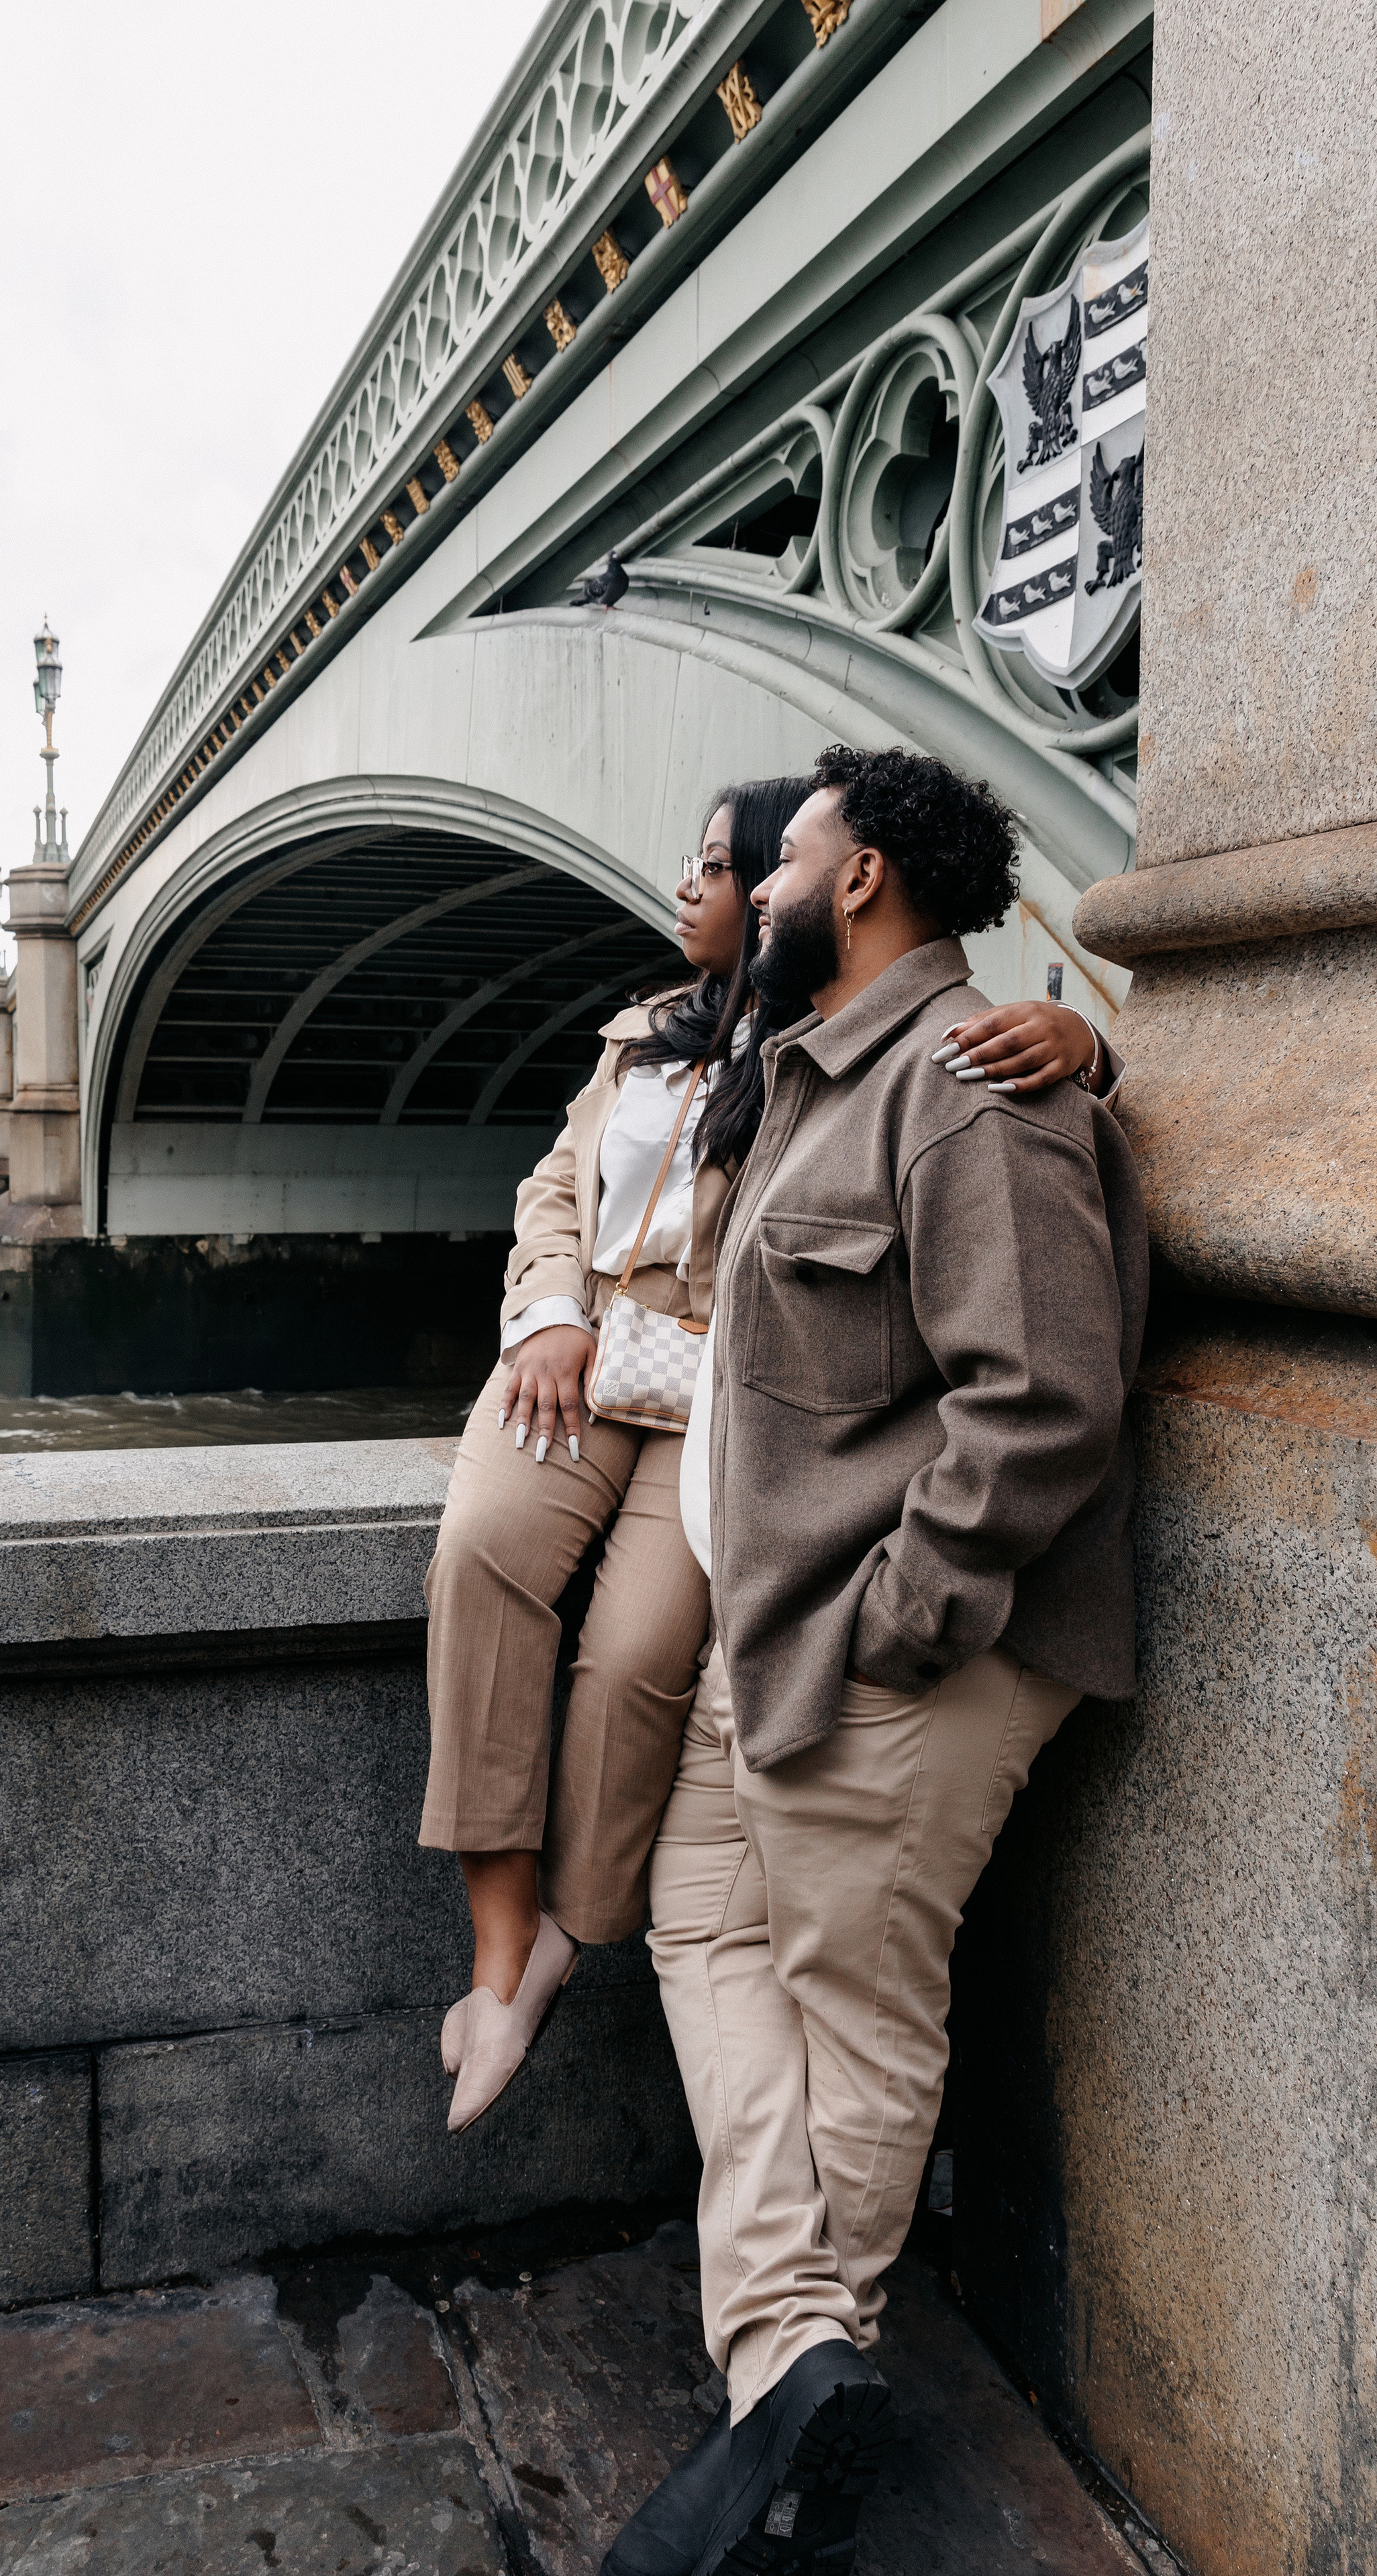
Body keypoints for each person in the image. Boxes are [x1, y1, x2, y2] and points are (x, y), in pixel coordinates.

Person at [603, 745, 1148, 2576]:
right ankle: (795, 2363)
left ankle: (779, 2437)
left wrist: (897, 1629)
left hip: (893, 1647)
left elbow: (1045, 1401)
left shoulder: (971, 1084)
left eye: (787, 855)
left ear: (858, 880)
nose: (751, 884)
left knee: (857, 2016)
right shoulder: (815, 1071)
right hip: (785, 1632)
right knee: (701, 1915)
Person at [420, 775, 1115, 2139]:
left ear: (800, 890)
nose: (686, 886)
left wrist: (1089, 1045)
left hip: (724, 1410)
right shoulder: (637, 1036)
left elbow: (969, 1087)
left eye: (722, 865)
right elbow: (553, 1187)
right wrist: (548, 1312)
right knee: (479, 1564)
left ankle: (573, 1929)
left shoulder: (824, 1048)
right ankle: (497, 1947)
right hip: (581, 1361)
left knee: (632, 1661)